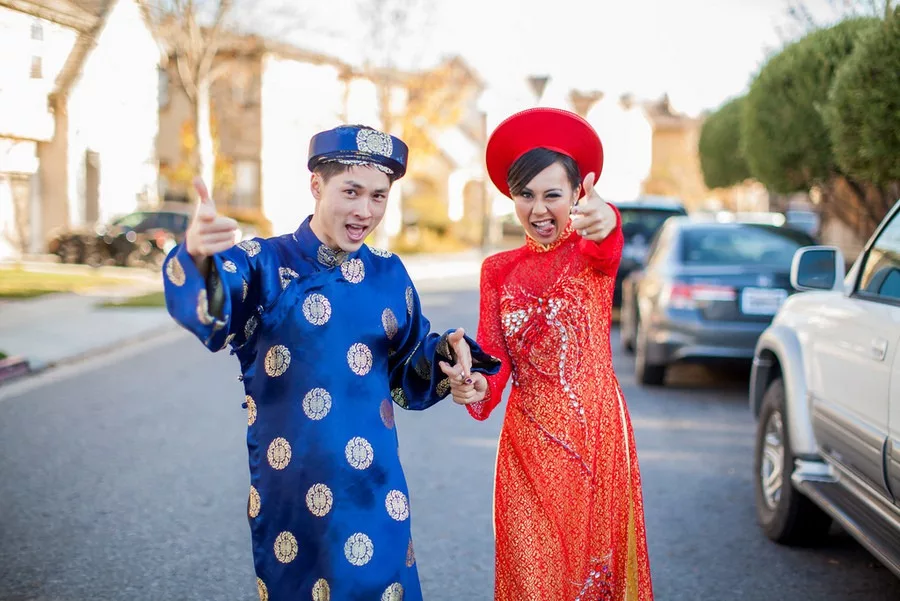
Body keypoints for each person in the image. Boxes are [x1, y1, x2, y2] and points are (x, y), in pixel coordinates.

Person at [161, 124, 500, 601]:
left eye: (379, 197)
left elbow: (408, 369)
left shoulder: (389, 274)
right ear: (317, 186)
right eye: (351, 192)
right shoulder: (264, 264)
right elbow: (214, 304)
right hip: (293, 494)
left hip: (377, 490)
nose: (365, 211)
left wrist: (450, 359)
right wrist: (197, 256)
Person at [445, 108, 654, 600]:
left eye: (553, 195)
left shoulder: (591, 251)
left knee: (590, 580)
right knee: (532, 577)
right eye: (526, 195)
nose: (539, 210)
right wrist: (473, 385)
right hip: (526, 446)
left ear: (577, 194)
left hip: (595, 441)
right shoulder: (498, 270)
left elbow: (608, 244)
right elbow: (492, 360)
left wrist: (610, 220)